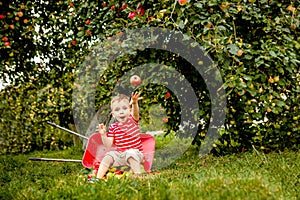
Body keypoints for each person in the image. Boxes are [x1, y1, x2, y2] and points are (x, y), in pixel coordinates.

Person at [96, 92, 143, 179]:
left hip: (135, 154)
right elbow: (108, 145)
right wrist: (103, 135)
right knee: (109, 155)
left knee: (130, 153)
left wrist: (134, 103)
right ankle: (98, 178)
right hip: (120, 155)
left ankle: (139, 176)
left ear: (130, 111)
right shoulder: (113, 127)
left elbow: (136, 113)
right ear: (113, 114)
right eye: (117, 110)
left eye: (124, 108)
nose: (121, 112)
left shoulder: (133, 120)